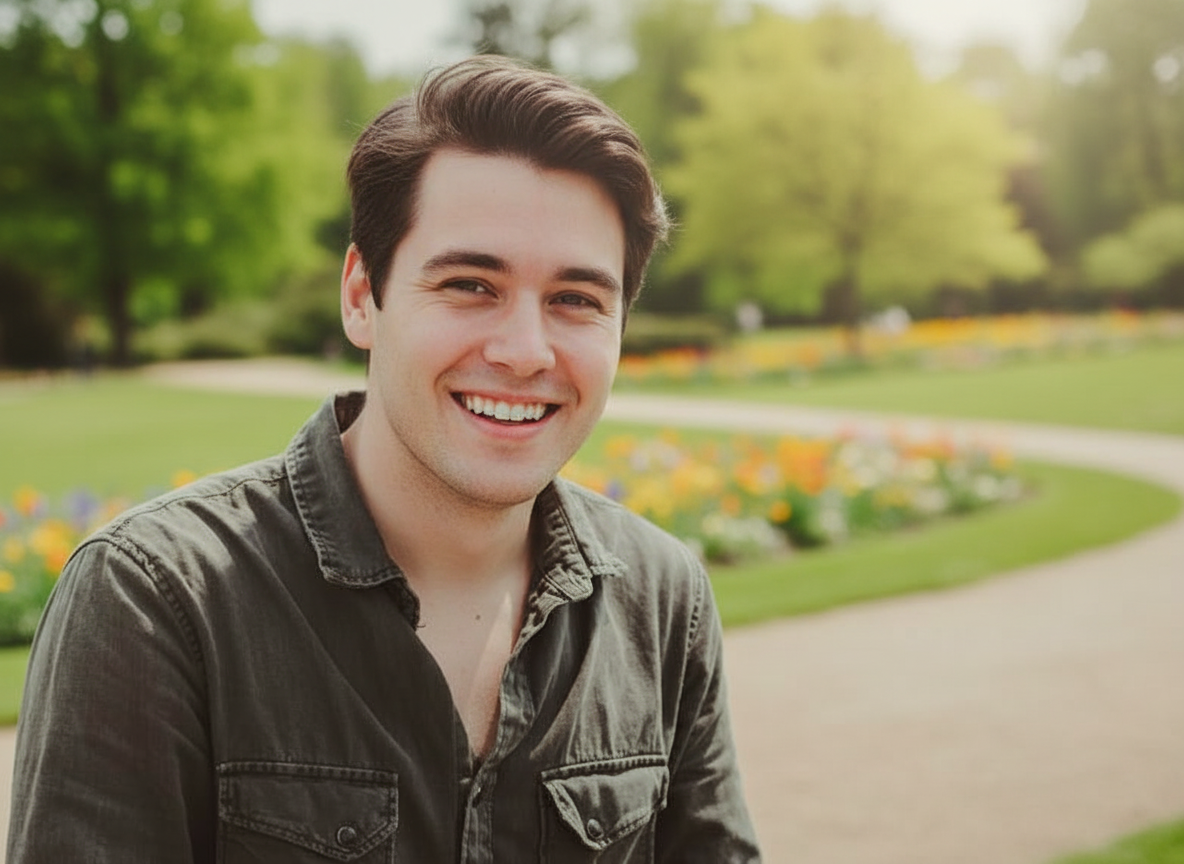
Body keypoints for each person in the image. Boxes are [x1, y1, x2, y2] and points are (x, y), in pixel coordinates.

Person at [8, 56, 761, 862]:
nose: (523, 351)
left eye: (576, 300)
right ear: (362, 295)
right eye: (471, 284)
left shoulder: (663, 600)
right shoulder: (157, 602)